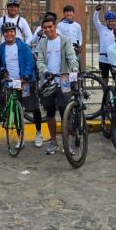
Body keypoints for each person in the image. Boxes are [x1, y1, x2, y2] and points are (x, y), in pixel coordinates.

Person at [36, 15, 79, 154]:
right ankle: (53, 141)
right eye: (45, 28)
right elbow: (40, 61)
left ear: (55, 27)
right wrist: (45, 71)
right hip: (48, 80)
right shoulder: (42, 43)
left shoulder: (64, 41)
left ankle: (66, 144)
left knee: (65, 112)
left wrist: (74, 68)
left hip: (64, 80)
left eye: (50, 27)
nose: (48, 30)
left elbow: (71, 57)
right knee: (49, 112)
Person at [0, 21, 41, 146]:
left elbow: (30, 62)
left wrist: (26, 76)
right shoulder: (1, 49)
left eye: (11, 31)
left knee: (33, 107)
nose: (9, 34)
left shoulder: (23, 46)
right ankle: (19, 137)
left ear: (15, 33)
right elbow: (0, 64)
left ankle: (38, 133)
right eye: (6, 32)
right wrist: (2, 70)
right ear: (3, 34)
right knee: (16, 109)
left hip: (25, 81)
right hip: (13, 82)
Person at [93, 6, 116, 85]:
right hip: (103, 60)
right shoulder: (102, 29)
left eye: (113, 21)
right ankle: (106, 94)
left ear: (115, 21)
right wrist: (97, 11)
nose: (111, 23)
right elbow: (95, 20)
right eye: (109, 21)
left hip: (114, 60)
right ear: (106, 21)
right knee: (104, 79)